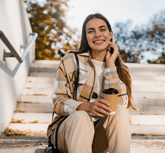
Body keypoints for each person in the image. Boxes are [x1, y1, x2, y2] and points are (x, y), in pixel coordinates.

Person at [47, 13, 138, 153]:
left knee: (120, 111)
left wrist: (110, 65)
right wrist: (86, 107)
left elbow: (120, 105)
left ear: (110, 34)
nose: (97, 35)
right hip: (70, 132)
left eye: (102, 29)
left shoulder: (120, 69)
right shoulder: (71, 60)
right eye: (91, 31)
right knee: (82, 116)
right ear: (85, 37)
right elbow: (59, 102)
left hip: (100, 138)